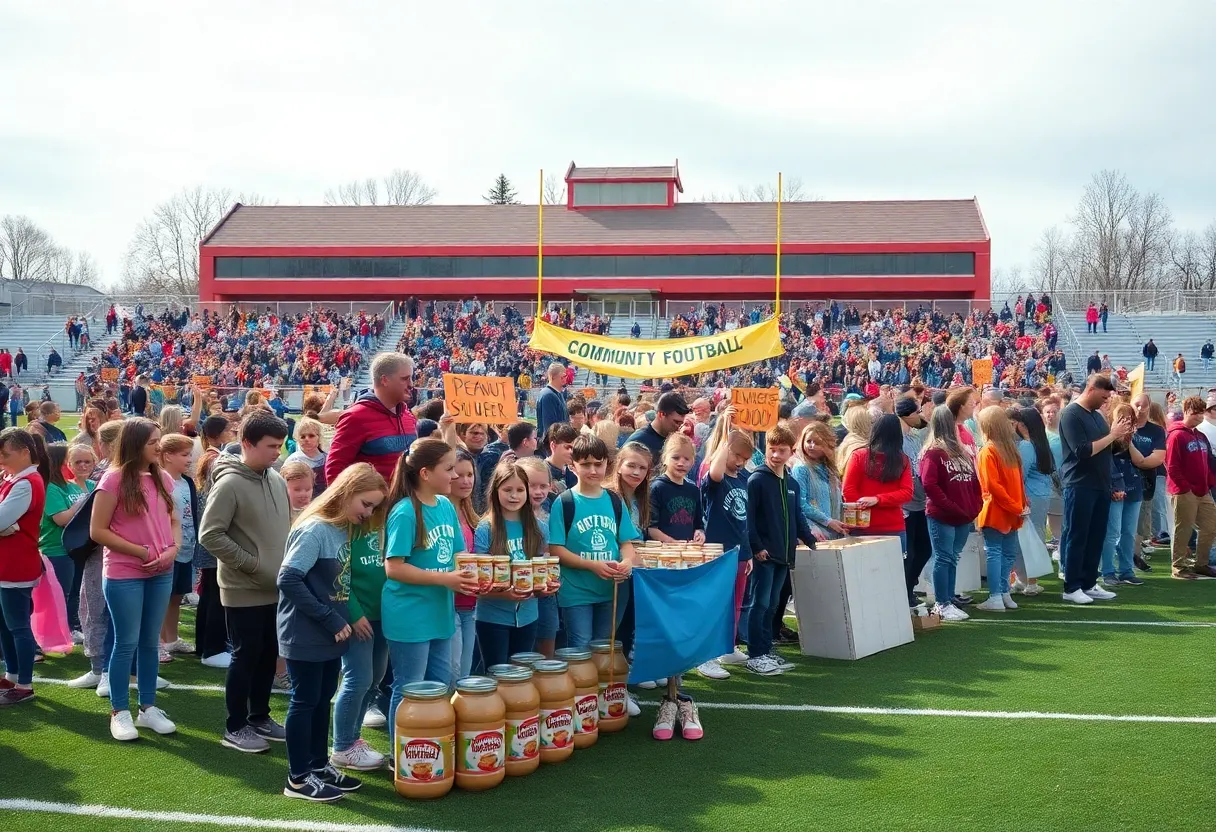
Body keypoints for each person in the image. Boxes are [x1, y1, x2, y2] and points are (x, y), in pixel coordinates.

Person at [278, 463, 387, 801]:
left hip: (329, 633)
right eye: (365, 504)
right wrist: (332, 618)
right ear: (347, 493)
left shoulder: (342, 528)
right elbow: (288, 579)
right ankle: (297, 778)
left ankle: (318, 764)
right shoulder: (316, 529)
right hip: (306, 632)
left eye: (373, 507)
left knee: (321, 699)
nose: (368, 512)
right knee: (305, 701)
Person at [199, 411, 292, 752]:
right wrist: (251, 564)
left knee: (268, 654)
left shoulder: (277, 479)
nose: (277, 453)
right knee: (246, 655)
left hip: (274, 588)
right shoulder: (229, 483)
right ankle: (235, 726)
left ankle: (259, 717)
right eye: (271, 446)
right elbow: (209, 535)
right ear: (247, 444)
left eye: (280, 446)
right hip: (242, 589)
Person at [383, 438, 478, 752]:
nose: (454, 476)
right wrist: (446, 578)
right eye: (448, 469)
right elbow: (394, 568)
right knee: (409, 686)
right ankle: (401, 753)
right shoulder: (405, 511)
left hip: (440, 611)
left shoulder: (447, 507)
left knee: (440, 686)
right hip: (409, 614)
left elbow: (459, 556)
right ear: (425, 473)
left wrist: (478, 575)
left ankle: (429, 748)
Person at [89, 418, 180, 738]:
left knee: (149, 643)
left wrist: (172, 550)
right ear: (134, 444)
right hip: (124, 573)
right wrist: (140, 552)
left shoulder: (164, 479)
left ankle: (148, 708)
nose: (160, 446)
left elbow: (174, 522)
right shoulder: (113, 480)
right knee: (126, 642)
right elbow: (97, 530)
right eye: (153, 441)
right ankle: (119, 711)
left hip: (161, 571)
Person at [549, 433, 639, 650]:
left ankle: (599, 685)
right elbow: (556, 549)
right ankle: (581, 685)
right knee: (580, 646)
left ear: (607, 464)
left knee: (603, 647)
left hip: (610, 590)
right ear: (573, 466)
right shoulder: (565, 502)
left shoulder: (614, 500)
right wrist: (592, 565)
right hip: (576, 591)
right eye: (585, 464)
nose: (593, 470)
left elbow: (626, 542)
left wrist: (627, 562)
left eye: (598, 464)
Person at [745, 424, 816, 676]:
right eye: (772, 450)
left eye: (781, 450)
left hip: (785, 556)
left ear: (791, 452)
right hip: (765, 555)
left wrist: (810, 540)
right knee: (760, 603)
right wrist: (757, 547)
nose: (775, 455)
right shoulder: (756, 480)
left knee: (773, 604)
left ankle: (766, 648)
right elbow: (749, 519)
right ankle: (755, 653)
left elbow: (797, 518)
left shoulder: (792, 484)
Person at [474, 461, 553, 668]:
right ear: (495, 491)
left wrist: (545, 587)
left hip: (528, 616)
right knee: (497, 673)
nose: (513, 496)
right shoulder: (486, 528)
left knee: (521, 674)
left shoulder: (540, 528)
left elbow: (543, 571)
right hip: (492, 617)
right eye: (507, 489)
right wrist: (504, 593)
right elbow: (478, 583)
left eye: (520, 490)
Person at [1058, 374, 1129, 604]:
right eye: (1104, 395)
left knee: (1096, 536)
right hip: (1079, 484)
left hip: (1100, 485)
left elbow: (1106, 450)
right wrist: (1112, 435)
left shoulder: (1097, 416)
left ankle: (1088, 582)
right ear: (1092, 390)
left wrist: (1121, 438)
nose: (1106, 400)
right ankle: (1071, 586)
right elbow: (1082, 451)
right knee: (1077, 536)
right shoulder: (1070, 414)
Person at [701, 408, 755, 670]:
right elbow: (716, 472)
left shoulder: (744, 477)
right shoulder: (715, 478)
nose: (741, 462)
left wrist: (750, 551)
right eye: (737, 456)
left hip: (740, 551)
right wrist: (726, 436)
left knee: (735, 603)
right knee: (716, 604)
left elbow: (746, 520)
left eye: (745, 458)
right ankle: (707, 655)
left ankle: (727, 646)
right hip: (717, 551)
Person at [0, 428, 50, 706]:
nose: (1, 461)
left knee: (18, 626)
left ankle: (25, 685)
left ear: (24, 452)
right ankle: (12, 676)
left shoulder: (26, 482)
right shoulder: (16, 478)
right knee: (6, 626)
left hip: (16, 565)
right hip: (8, 564)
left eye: (6, 455)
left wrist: (8, 525)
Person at [920, 407, 981, 621]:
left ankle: (948, 598)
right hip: (943, 515)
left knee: (952, 557)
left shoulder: (962, 452)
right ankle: (941, 603)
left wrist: (975, 506)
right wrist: (952, 506)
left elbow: (974, 482)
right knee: (944, 557)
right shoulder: (933, 453)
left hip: (962, 515)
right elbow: (929, 484)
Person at [325, 352, 417, 485]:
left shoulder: (407, 416)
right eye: (405, 379)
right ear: (385, 380)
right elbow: (334, 472)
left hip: (405, 503)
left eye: (411, 378)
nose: (411, 384)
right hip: (374, 504)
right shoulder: (355, 417)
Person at [40, 443, 96, 640]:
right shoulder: (56, 488)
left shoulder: (93, 486)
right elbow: (61, 519)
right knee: (60, 594)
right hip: (58, 548)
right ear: (68, 464)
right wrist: (82, 504)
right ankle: (55, 633)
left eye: (87, 461)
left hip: (83, 549)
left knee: (77, 592)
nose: (83, 465)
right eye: (77, 461)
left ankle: (71, 627)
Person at [156, 434, 200, 659]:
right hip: (166, 549)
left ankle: (171, 639)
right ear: (167, 456)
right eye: (184, 455)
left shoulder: (187, 482)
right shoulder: (159, 481)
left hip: (186, 548)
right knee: (160, 597)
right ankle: (157, 643)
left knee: (176, 596)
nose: (190, 459)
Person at [842, 415, 915, 547]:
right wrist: (879, 499)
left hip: (862, 526)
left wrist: (866, 507)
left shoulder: (859, 456)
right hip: (894, 526)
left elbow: (848, 490)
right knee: (894, 567)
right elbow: (906, 492)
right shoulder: (902, 460)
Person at [1165, 396, 1216, 580]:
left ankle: (1201, 563)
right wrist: (1186, 487)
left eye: (1202, 413)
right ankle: (1178, 567)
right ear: (1186, 411)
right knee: (1183, 528)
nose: (1199, 417)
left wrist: (1210, 482)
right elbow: (1171, 466)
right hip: (1184, 491)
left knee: (1211, 526)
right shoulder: (1176, 435)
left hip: (1203, 490)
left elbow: (1208, 462)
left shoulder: (1201, 436)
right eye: (1196, 413)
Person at [516, 455, 560, 657]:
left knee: (547, 640)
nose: (539, 491)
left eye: (543, 486)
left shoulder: (548, 515)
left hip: (545, 592)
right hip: (518, 593)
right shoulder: (510, 519)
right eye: (532, 486)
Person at [1008, 407, 1054, 595]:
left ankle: (1029, 581)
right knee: (1034, 537)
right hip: (1042, 494)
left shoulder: (1026, 446)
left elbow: (1020, 475)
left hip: (1030, 495)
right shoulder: (1042, 443)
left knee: (1028, 539)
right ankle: (1025, 579)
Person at [1100, 403, 1147, 588]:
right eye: (1122, 418)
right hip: (1114, 489)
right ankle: (1108, 571)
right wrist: (1115, 433)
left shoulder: (1134, 438)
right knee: (1112, 532)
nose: (1126, 422)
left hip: (1133, 487)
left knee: (1128, 532)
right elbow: (1105, 460)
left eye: (1129, 419)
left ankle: (1127, 570)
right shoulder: (1106, 436)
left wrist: (1129, 439)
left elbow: (1139, 460)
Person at [895, 397, 931, 609]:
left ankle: (909, 585)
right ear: (907, 414)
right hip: (906, 504)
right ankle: (905, 591)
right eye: (918, 412)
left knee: (924, 550)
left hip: (920, 501)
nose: (921, 416)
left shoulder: (914, 438)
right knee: (910, 552)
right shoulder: (898, 440)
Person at [448, 448, 480, 681]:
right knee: (452, 673)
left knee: (464, 676)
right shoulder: (440, 513)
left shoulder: (471, 516)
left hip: (470, 604)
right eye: (460, 475)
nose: (466, 480)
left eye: (470, 474)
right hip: (448, 603)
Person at [790, 421, 848, 541]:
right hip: (815, 533)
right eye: (808, 441)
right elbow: (800, 504)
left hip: (834, 533)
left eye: (817, 443)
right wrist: (827, 521)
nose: (811, 446)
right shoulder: (801, 468)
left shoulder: (830, 469)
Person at [1130, 393, 1167, 568]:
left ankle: (1135, 556)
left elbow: (1158, 458)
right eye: (1137, 404)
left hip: (1145, 483)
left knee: (1140, 523)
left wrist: (1141, 462)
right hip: (1121, 482)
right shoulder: (1120, 427)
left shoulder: (1156, 431)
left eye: (1144, 405)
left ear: (1150, 406)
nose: (1140, 408)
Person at [628, 391, 691, 463]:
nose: (679, 427)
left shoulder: (675, 441)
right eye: (676, 422)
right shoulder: (638, 441)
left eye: (682, 423)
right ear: (661, 414)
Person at [283, 417, 327, 499]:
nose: (306, 439)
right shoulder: (294, 461)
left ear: (319, 438)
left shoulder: (326, 459)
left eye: (311, 436)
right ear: (298, 439)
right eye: (302, 436)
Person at [535, 362, 570, 445]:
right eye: (562, 376)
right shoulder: (548, 395)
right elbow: (550, 427)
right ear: (552, 376)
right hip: (553, 444)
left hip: (560, 441)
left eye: (566, 376)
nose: (565, 378)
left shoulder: (558, 393)